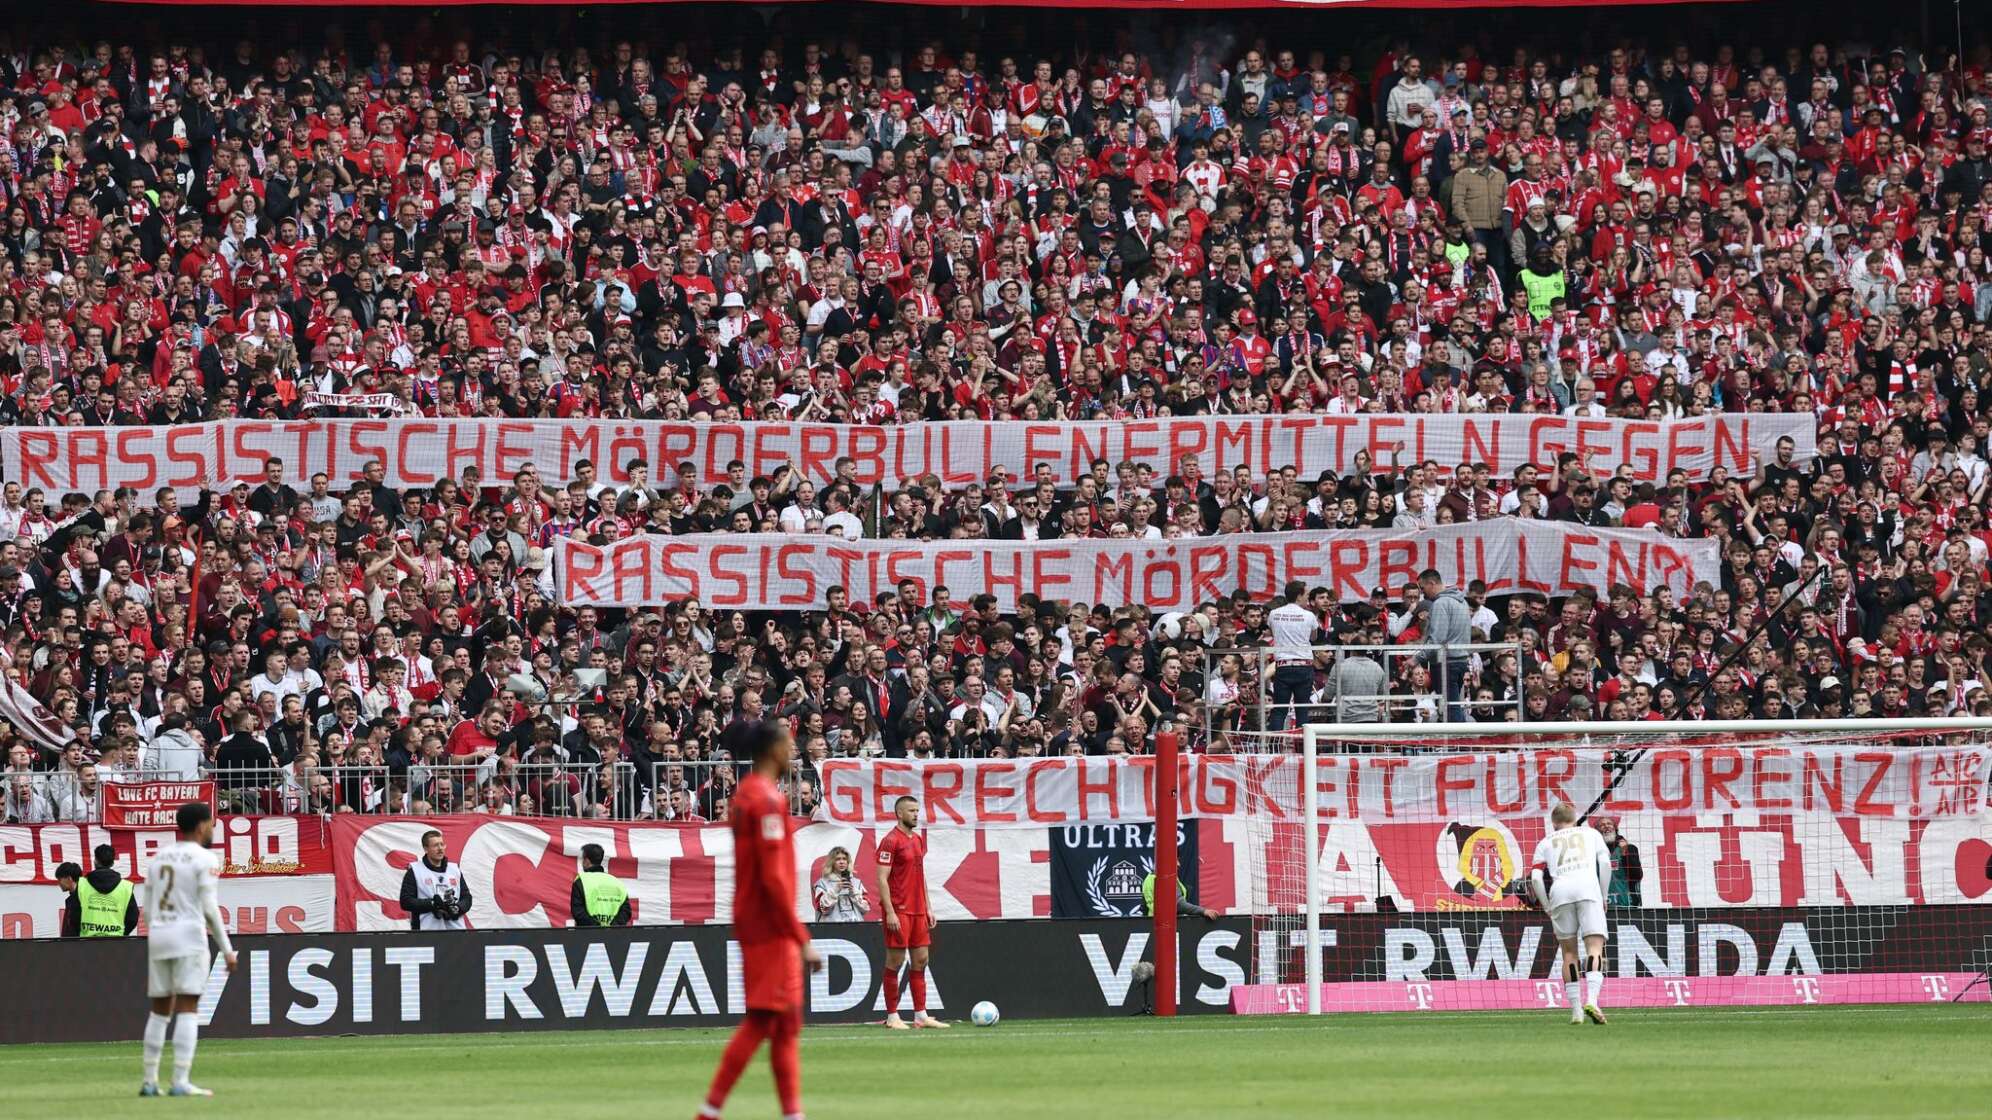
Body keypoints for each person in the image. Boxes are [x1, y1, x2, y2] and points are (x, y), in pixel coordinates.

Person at [699, 720, 823, 1120]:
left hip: (765, 921)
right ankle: (708, 1112)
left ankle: (792, 1113)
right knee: (761, 1020)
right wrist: (801, 936)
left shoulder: (751, 794)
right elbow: (772, 878)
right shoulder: (764, 800)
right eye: (788, 745)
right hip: (768, 925)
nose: (793, 753)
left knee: (787, 1023)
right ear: (772, 751)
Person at [139, 801, 237, 1098]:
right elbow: (209, 908)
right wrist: (228, 950)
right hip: (188, 936)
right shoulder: (205, 858)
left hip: (159, 934)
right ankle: (180, 1080)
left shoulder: (159, 857)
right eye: (211, 823)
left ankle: (149, 1081)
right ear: (201, 825)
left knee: (159, 1011)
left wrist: (157, 933)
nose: (213, 828)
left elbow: (147, 908)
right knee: (188, 1008)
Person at [1529, 802, 1612, 1025]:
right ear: (1574, 818)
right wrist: (1604, 896)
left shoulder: (1545, 842)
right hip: (1588, 889)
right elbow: (1605, 864)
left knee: (1568, 953)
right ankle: (1592, 1001)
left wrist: (1546, 905)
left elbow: (1536, 877)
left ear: (1554, 823)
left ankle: (1576, 1011)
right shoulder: (1591, 833)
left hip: (1560, 892)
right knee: (1594, 947)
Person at [878, 794, 946, 1029]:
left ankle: (920, 1015)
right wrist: (890, 912)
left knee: (921, 959)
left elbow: (920, 874)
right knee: (895, 961)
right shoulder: (889, 841)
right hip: (899, 909)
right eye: (911, 811)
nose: (916, 814)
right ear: (899, 813)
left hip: (918, 911)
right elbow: (882, 879)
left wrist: (928, 906)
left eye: (917, 810)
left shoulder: (917, 839)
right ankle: (892, 1016)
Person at [1417, 569, 1472, 722]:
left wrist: (1415, 659)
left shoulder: (1440, 603)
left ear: (1431, 583)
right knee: (1454, 705)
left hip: (1446, 664)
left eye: (1422, 588)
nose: (1422, 593)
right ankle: (1459, 743)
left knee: (1451, 708)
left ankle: (1457, 745)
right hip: (1461, 662)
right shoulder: (1462, 602)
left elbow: (1437, 640)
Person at [1266, 581, 1318, 731]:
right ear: (1299, 595)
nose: (1307, 598)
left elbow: (1273, 631)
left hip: (1283, 665)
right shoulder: (1308, 615)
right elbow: (1313, 637)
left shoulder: (1274, 614)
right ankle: (1303, 748)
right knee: (1302, 709)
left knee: (1279, 709)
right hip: (1304, 666)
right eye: (1307, 594)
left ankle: (1273, 748)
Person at [398, 829, 472, 930]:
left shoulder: (454, 869)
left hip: (456, 931)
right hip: (426, 932)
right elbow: (405, 901)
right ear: (426, 849)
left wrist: (457, 908)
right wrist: (432, 904)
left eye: (442, 844)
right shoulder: (415, 871)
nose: (440, 848)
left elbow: (467, 897)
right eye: (435, 845)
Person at [71, 844, 138, 938]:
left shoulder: (82, 884)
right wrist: (121, 934)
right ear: (112, 863)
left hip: (86, 943)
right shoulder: (125, 887)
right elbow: (132, 919)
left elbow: (74, 917)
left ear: (95, 861)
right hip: (116, 943)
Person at [570, 842, 631, 927]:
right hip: (613, 936)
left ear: (587, 861)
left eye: (583, 859)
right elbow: (626, 911)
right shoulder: (617, 882)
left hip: (587, 936)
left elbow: (578, 912)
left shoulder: (581, 881)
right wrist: (612, 927)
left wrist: (597, 927)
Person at [812, 846, 870, 921]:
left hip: (855, 927)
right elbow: (822, 909)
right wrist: (836, 889)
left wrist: (853, 892)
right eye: (838, 859)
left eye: (844, 859)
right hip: (832, 928)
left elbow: (866, 909)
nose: (842, 862)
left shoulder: (857, 883)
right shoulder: (822, 883)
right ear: (831, 862)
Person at [1597, 817, 1644, 906]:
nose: (1606, 826)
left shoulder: (1629, 848)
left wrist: (1625, 853)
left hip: (1628, 906)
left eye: (1609, 824)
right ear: (1597, 832)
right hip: (1602, 907)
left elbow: (1637, 875)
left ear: (1615, 828)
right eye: (1602, 825)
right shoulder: (1594, 853)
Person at [1141, 869, 1217, 921]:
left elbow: (1144, 906)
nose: (1179, 864)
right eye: (1176, 860)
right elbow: (1179, 904)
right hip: (1168, 926)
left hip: (1152, 923)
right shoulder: (1166, 878)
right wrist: (1203, 911)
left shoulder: (1149, 878)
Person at [54, 861, 83, 937]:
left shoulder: (82, 898)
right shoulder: (71, 899)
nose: (59, 883)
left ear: (69, 878)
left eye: (60, 879)